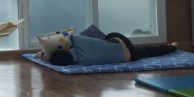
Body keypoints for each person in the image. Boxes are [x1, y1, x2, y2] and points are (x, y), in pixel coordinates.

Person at [45, 32, 177, 66]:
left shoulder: (83, 63)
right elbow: (64, 35)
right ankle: (172, 46)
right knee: (103, 36)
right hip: (120, 42)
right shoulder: (78, 41)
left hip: (128, 58)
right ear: (65, 50)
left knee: (147, 51)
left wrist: (46, 58)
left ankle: (171, 47)